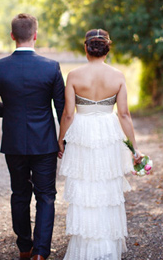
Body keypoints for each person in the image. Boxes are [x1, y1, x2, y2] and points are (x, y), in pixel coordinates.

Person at [0, 13, 65, 260]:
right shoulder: (51, 67)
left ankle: (24, 248)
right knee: (46, 196)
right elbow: (62, 109)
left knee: (19, 194)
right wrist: (63, 140)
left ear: (12, 36)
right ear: (35, 35)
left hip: (14, 142)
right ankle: (41, 252)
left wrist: (12, 113)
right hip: (45, 143)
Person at [57, 28, 142, 260]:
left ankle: (85, 249)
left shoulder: (74, 75)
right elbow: (124, 114)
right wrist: (135, 148)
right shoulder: (117, 76)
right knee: (105, 186)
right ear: (107, 48)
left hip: (82, 132)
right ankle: (105, 250)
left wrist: (61, 139)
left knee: (85, 187)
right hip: (107, 132)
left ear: (86, 48)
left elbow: (68, 114)